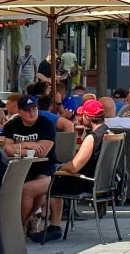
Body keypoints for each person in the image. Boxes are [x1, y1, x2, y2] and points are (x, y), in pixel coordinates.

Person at [36, 100, 112, 244]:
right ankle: (54, 226)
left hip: (86, 183)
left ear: (87, 117)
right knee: (57, 178)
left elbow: (74, 167)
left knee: (46, 183)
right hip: (102, 183)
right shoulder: (109, 132)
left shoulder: (92, 137)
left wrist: (59, 168)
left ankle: (53, 226)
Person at [1, 94, 60, 236]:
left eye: (34, 109)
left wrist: (17, 147)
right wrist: (27, 145)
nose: (32, 113)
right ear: (19, 111)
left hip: (45, 167)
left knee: (29, 189)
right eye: (27, 110)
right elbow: (6, 149)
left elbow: (42, 152)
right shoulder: (11, 125)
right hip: (20, 167)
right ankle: (26, 221)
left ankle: (20, 223)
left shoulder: (45, 124)